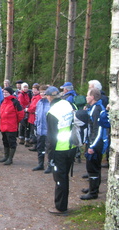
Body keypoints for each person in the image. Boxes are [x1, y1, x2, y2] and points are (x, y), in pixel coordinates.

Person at [45, 86, 76, 215]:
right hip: (72, 146)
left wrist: (50, 156)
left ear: (49, 97)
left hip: (59, 149)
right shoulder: (69, 104)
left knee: (60, 179)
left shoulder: (52, 112)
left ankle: (61, 207)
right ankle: (62, 204)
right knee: (64, 177)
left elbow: (51, 137)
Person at [80, 88, 104, 200]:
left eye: (87, 95)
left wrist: (92, 146)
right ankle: (93, 187)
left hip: (95, 143)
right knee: (94, 166)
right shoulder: (93, 108)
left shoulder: (97, 109)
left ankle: (93, 193)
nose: (86, 97)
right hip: (92, 141)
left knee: (93, 167)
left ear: (92, 97)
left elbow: (97, 129)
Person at [0, 87, 24, 165]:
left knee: (12, 142)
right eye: (4, 92)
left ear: (10, 93)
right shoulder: (3, 101)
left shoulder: (15, 102)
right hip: (3, 125)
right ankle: (6, 156)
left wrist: (15, 121)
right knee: (5, 141)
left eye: (6, 92)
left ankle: (10, 158)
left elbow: (21, 114)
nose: (5, 93)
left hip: (11, 126)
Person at [32, 85, 51, 172]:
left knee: (49, 149)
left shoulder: (51, 103)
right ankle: (40, 164)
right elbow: (37, 115)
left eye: (44, 92)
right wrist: (36, 125)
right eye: (41, 92)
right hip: (40, 129)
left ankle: (50, 165)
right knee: (40, 148)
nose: (43, 93)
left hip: (49, 131)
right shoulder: (39, 102)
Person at [27, 83, 41, 151]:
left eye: (35, 90)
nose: (34, 91)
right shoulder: (34, 97)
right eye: (33, 89)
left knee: (35, 131)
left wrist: (28, 109)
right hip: (32, 116)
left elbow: (34, 107)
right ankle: (35, 145)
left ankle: (36, 145)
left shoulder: (38, 97)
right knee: (33, 131)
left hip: (34, 117)